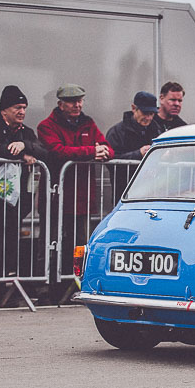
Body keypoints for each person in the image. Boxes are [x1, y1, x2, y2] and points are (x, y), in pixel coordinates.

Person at [0, 85, 48, 305]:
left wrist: (25, 145)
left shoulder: (26, 132)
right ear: (4, 109)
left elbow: (42, 150)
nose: (22, 111)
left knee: (11, 245)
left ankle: (11, 290)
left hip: (17, 201)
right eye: (17, 107)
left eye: (24, 107)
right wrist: (19, 153)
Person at [37, 84, 113, 284]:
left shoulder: (88, 123)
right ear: (60, 104)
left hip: (82, 198)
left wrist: (102, 151)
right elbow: (58, 151)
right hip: (56, 197)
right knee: (52, 243)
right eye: (72, 102)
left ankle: (75, 284)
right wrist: (91, 151)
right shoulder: (47, 126)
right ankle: (49, 286)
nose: (77, 105)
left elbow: (108, 149)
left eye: (80, 101)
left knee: (79, 243)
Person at [106, 91, 160, 204]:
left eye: (152, 114)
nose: (149, 117)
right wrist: (138, 154)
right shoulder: (117, 132)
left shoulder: (156, 129)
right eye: (145, 113)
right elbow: (111, 160)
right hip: (124, 192)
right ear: (133, 108)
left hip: (150, 191)